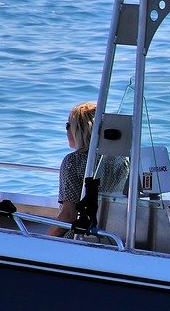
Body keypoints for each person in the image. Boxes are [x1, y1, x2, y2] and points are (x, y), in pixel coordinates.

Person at [49, 101, 127, 237]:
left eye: (68, 125)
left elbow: (69, 215)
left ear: (79, 129)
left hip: (80, 236)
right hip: (110, 235)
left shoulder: (73, 161)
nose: (66, 129)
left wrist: (44, 240)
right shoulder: (122, 160)